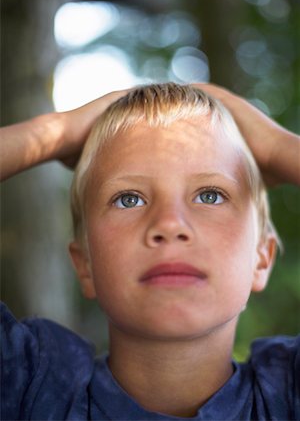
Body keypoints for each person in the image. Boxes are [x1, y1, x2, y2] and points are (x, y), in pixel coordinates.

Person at [1, 83, 299, 420]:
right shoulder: (30, 387)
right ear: (85, 264)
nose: (170, 224)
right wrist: (56, 132)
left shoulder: (288, 393)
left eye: (210, 195)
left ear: (261, 257)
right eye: (130, 199)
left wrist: (277, 147)